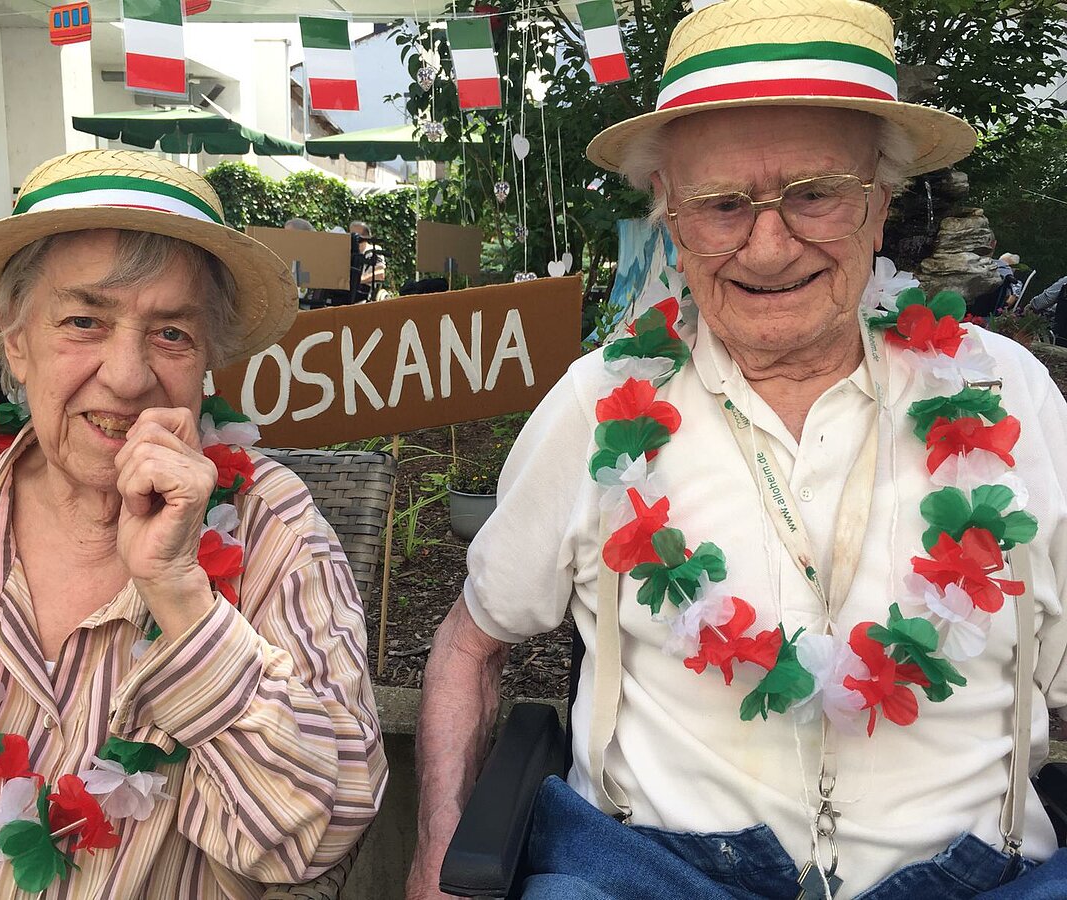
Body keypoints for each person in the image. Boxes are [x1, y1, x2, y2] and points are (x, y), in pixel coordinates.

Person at [407, 1, 1067, 898]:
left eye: (815, 195)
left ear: (880, 204)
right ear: (672, 221)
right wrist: (436, 867)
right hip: (657, 872)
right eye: (722, 206)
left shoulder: (1010, 394)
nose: (767, 244)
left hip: (978, 875)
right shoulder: (600, 402)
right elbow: (469, 646)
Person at [0, 149, 386, 897]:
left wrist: (180, 594)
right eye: (84, 321)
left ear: (208, 357)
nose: (129, 375)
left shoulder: (273, 527)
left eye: (172, 333)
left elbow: (319, 833)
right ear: (16, 340)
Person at [350, 221, 387, 301]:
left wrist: (359, 280)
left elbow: (380, 274)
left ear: (365, 237)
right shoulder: (347, 252)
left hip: (364, 290)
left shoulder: (373, 250)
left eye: (355, 235)